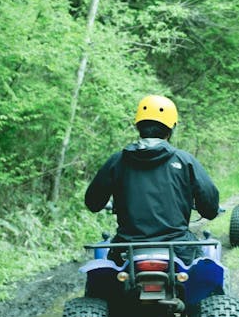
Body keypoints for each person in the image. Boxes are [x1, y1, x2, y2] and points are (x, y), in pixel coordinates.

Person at [85, 94, 220, 265]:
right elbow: (210, 207)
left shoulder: (117, 161)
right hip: (178, 247)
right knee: (204, 280)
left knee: (105, 286)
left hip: (127, 249)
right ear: (171, 128)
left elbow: (93, 203)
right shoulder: (185, 161)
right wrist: (206, 208)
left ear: (138, 126)